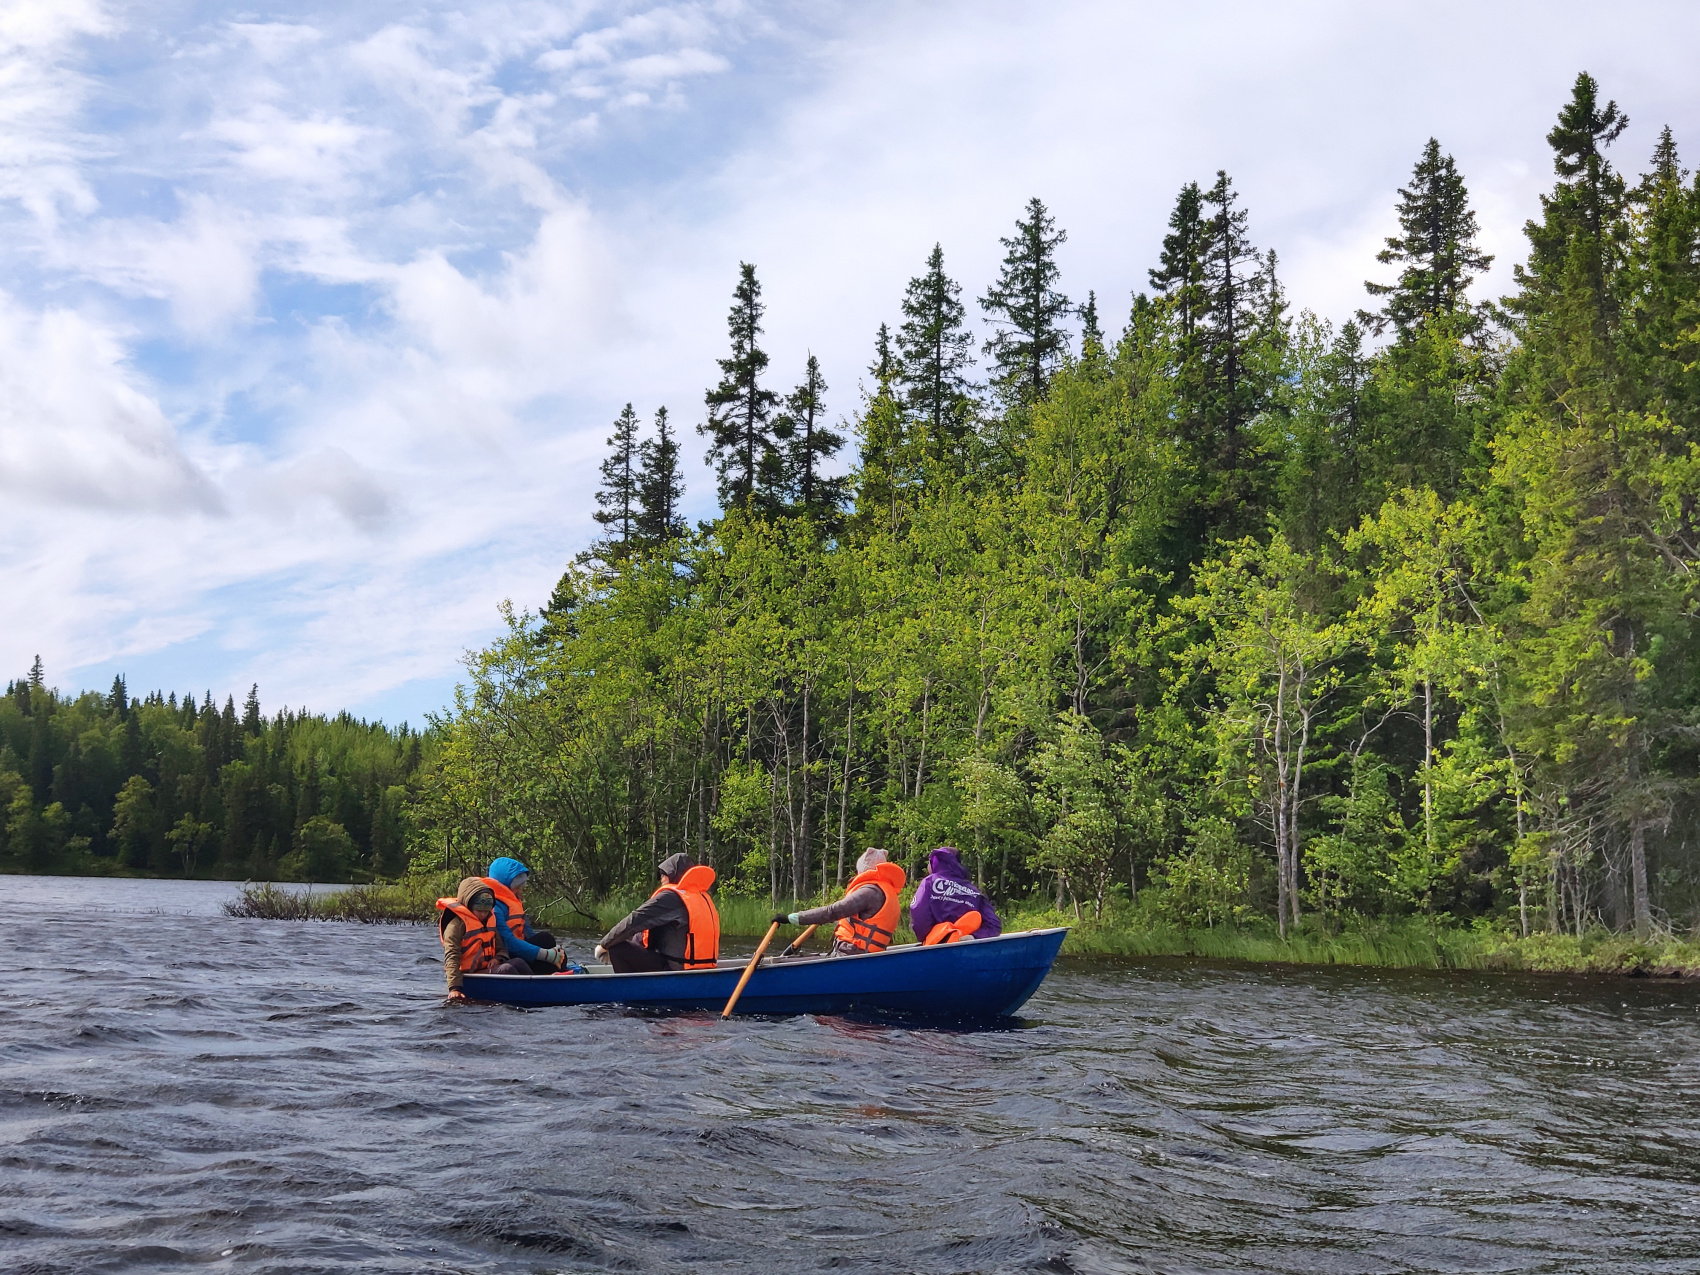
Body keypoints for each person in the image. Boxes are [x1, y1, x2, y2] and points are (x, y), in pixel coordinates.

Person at [593, 852, 721, 972]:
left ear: (672, 874)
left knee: (616, 947)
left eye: (663, 873)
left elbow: (635, 920)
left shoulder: (670, 897)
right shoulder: (701, 897)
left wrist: (604, 945)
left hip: (675, 969)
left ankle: (630, 988)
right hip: (702, 968)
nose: (661, 878)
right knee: (641, 936)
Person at [778, 847, 907, 955]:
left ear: (864, 870)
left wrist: (792, 918)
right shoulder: (885, 890)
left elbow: (833, 911)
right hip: (866, 953)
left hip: (852, 952)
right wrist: (823, 919)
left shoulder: (869, 893)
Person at [437, 877, 529, 1001]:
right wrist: (454, 988)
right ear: (469, 905)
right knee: (506, 969)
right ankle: (524, 995)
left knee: (518, 962)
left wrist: (498, 958)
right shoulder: (455, 926)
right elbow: (451, 957)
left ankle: (535, 987)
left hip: (486, 969)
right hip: (469, 976)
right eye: (479, 911)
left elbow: (501, 947)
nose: (483, 914)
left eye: (486, 911)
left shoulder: (489, 920)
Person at [483, 857, 568, 973]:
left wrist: (552, 953)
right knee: (545, 943)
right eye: (516, 887)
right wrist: (545, 955)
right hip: (506, 954)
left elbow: (529, 934)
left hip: (519, 950)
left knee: (548, 941)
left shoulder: (513, 901)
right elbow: (509, 942)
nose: (519, 890)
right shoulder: (494, 907)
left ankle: (560, 975)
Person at [909, 846, 1001, 944]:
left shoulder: (929, 882)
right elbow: (994, 926)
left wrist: (926, 936)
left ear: (935, 862)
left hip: (936, 946)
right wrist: (975, 937)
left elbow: (920, 915)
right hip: (966, 946)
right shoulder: (975, 892)